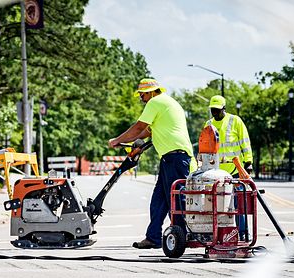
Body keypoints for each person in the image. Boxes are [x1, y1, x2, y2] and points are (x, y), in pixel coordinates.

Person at [109, 78, 194, 250]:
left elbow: (139, 127)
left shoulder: (155, 102)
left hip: (176, 157)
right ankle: (153, 237)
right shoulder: (167, 102)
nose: (140, 97)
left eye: (142, 94)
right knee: (159, 200)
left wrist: (116, 140)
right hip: (170, 158)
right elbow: (146, 132)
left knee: (176, 200)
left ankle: (180, 237)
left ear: (151, 92)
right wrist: (132, 144)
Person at [205, 95, 254, 240]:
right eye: (212, 110)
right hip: (216, 172)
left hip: (235, 169)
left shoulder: (235, 121)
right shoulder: (208, 124)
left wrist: (248, 161)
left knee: (239, 202)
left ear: (224, 109)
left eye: (217, 110)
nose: (214, 112)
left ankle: (243, 232)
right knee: (217, 203)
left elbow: (245, 141)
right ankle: (217, 234)